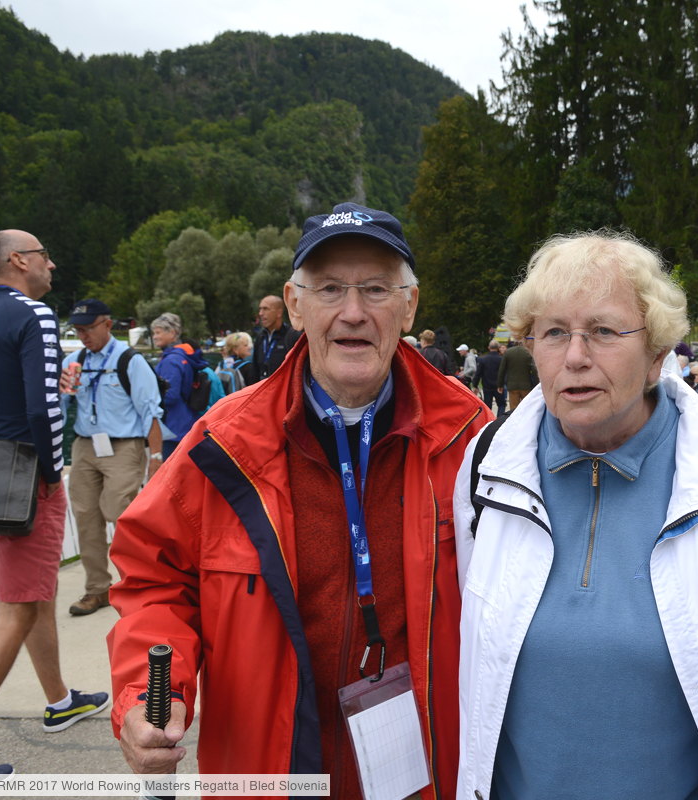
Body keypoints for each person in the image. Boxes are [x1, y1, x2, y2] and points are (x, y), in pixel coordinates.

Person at [107, 203, 491, 796]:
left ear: (410, 305)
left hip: (424, 769)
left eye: (377, 289)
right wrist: (148, 694)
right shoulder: (224, 443)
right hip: (269, 770)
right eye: (331, 289)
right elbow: (155, 581)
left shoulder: (471, 440)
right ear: (294, 305)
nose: (353, 312)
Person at [454, 230, 698, 800]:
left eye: (603, 331)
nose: (575, 356)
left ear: (658, 354)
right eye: (554, 332)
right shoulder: (487, 467)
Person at [0, 231, 110, 779]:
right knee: (16, 607)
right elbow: (44, 408)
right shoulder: (34, 314)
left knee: (28, 594)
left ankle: (59, 699)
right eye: (43, 255)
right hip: (25, 474)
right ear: (17, 260)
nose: (51, 264)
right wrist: (52, 473)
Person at [59, 299, 164, 617]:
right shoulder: (74, 360)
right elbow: (62, 412)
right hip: (85, 445)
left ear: (107, 324)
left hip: (123, 445)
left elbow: (150, 411)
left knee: (120, 510)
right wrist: (64, 393)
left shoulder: (129, 360)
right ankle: (97, 590)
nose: (83, 335)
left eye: (88, 328)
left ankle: (139, 583)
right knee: (85, 516)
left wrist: (156, 457)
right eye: (78, 329)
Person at [150, 313, 196, 460]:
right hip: (184, 422)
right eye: (153, 333)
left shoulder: (171, 360)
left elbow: (170, 395)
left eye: (158, 332)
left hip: (173, 427)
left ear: (172, 333)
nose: (154, 336)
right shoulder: (182, 356)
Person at [251, 294, 299, 383]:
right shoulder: (260, 337)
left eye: (265, 309)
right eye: (260, 309)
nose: (260, 313)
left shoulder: (293, 336)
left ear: (279, 313)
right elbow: (255, 370)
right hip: (262, 392)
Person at [498, 336, 536, 411]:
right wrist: (536, 384)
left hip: (512, 385)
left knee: (514, 409)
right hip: (526, 385)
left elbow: (502, 370)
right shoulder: (528, 352)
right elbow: (534, 370)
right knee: (527, 408)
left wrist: (500, 385)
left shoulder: (508, 352)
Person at [475, 339, 506, 415]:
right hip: (499, 385)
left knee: (488, 406)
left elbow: (478, 373)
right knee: (501, 405)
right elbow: (504, 373)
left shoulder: (482, 359)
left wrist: (475, 384)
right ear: (498, 348)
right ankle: (499, 420)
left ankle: (489, 421)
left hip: (487, 385)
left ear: (489, 347)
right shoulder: (501, 359)